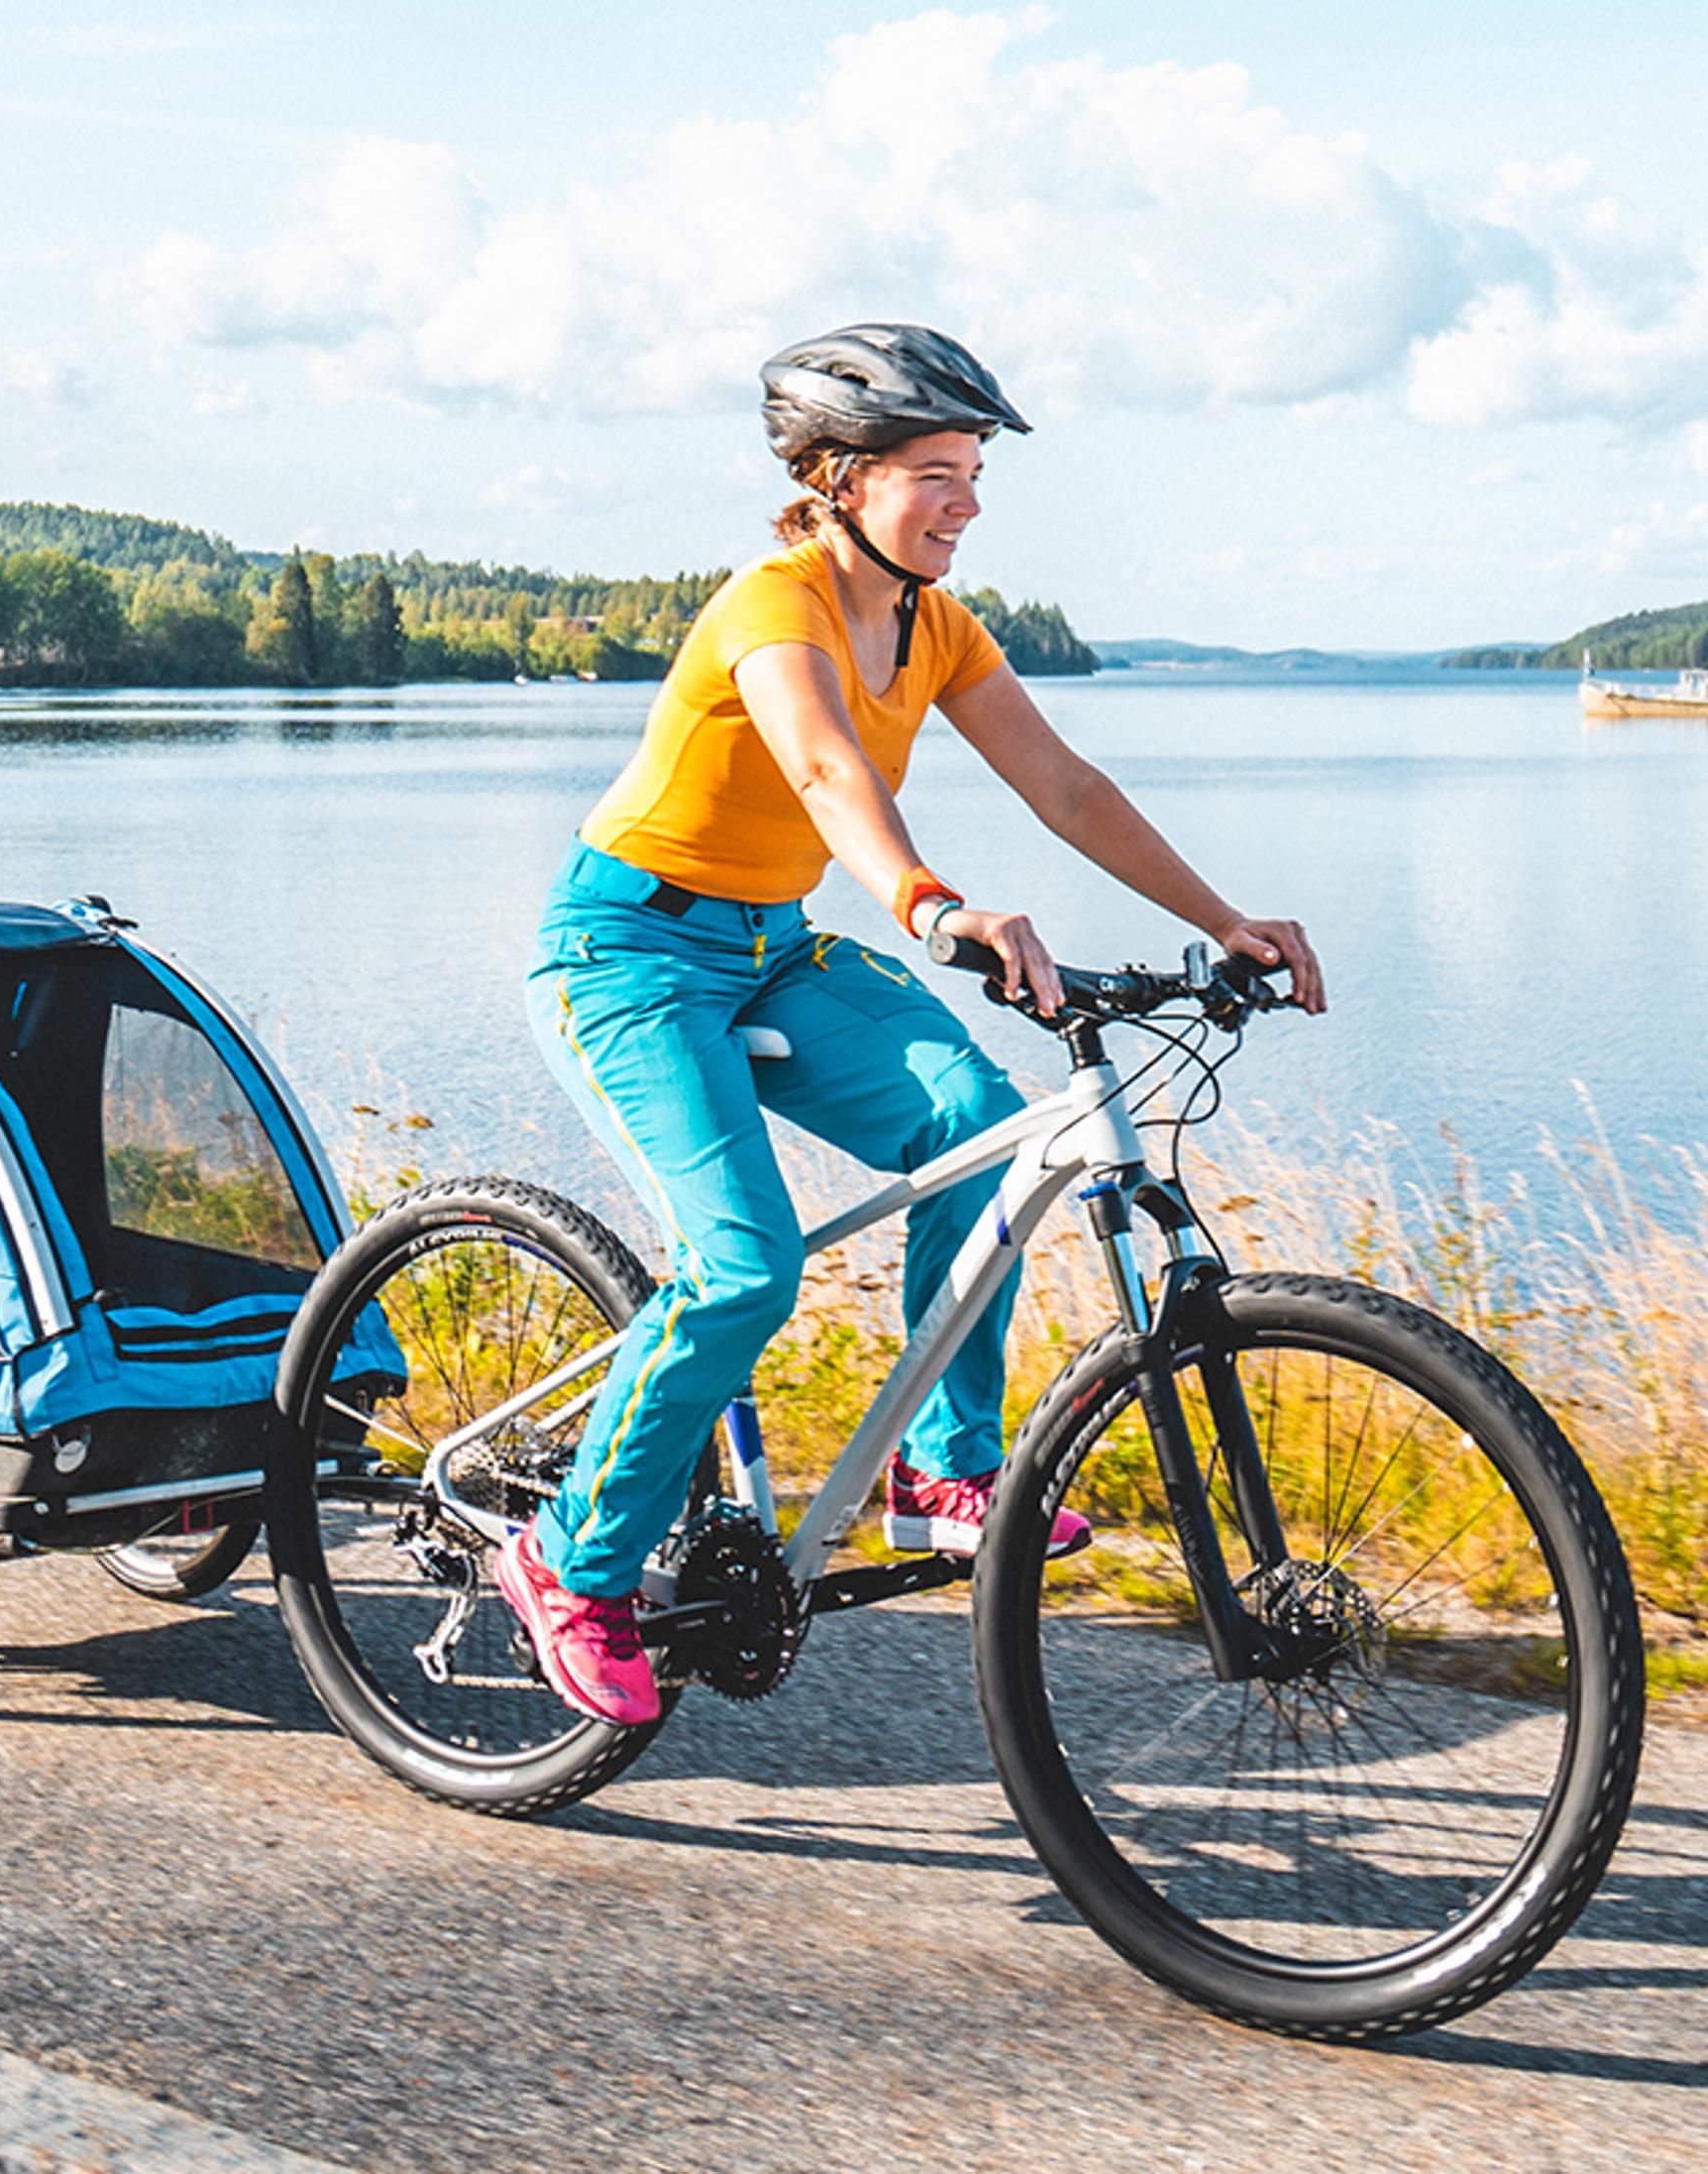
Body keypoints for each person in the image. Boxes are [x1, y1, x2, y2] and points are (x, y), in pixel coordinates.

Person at [497, 323, 1324, 1727]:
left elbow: (1063, 783)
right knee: (743, 1269)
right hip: (627, 951)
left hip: (770, 943)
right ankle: (570, 1558)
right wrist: (936, 908)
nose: (968, 500)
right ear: (837, 477)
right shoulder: (774, 607)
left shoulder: (935, 623)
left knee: (990, 1133)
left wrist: (1228, 915)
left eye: (975, 469)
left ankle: (939, 1472)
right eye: (938, 470)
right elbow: (824, 767)